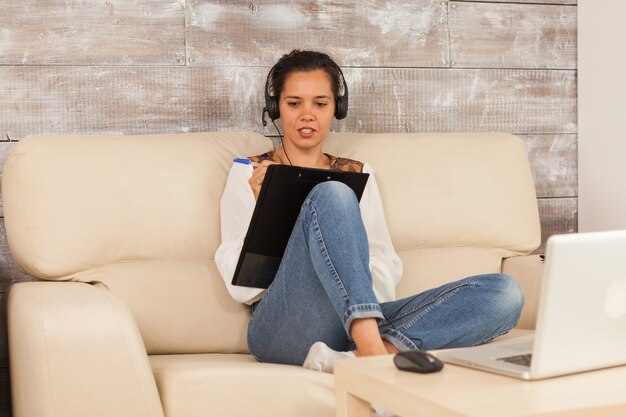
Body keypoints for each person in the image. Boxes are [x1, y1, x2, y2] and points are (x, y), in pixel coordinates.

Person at [215, 50, 524, 373]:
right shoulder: (248, 173)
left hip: (348, 321)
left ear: (337, 108)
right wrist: (270, 214)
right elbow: (240, 288)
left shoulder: (360, 173)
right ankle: (375, 355)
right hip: (284, 330)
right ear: (276, 107)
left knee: (504, 294)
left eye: (320, 104)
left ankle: (357, 358)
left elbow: (386, 267)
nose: (307, 115)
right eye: (294, 103)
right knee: (332, 193)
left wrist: (342, 272)